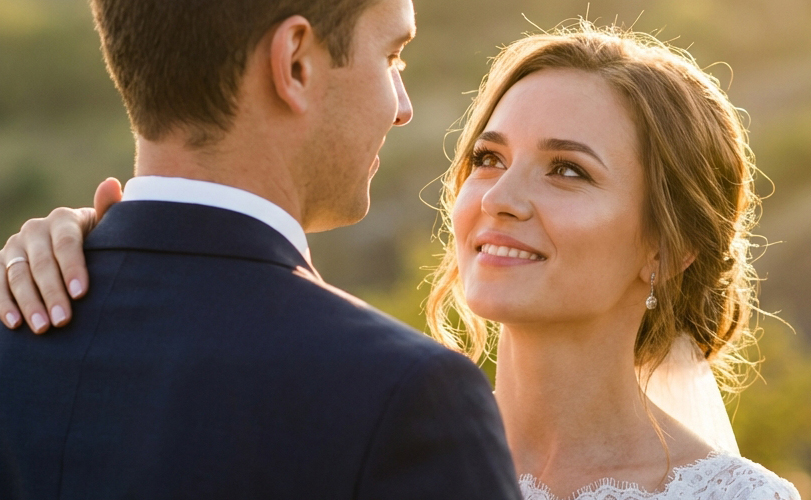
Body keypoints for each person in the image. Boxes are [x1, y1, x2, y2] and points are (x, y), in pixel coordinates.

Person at [1, 23, 802, 500]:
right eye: (487, 158)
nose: (500, 198)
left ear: (668, 246)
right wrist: (103, 250)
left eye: (567, 170)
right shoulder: (370, 419)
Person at [0, 0, 523, 498]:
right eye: (392, 56)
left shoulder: (17, 330)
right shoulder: (407, 397)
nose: (402, 107)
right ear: (295, 64)